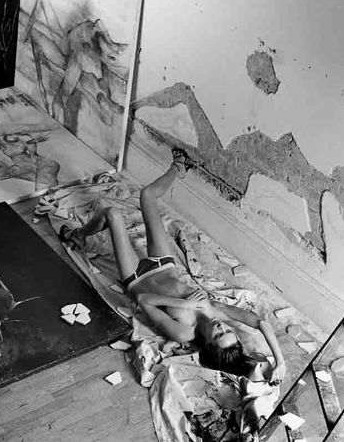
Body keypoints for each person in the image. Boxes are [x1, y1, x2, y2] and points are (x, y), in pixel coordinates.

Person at [60, 148, 287, 385]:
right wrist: (280, 362)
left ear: (209, 344)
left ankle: (79, 235)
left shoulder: (183, 333)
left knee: (113, 214)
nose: (222, 327)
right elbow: (260, 323)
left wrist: (184, 304)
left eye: (219, 335)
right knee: (147, 195)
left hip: (137, 277)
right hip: (164, 265)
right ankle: (179, 166)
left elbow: (143, 300)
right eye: (228, 332)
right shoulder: (216, 311)